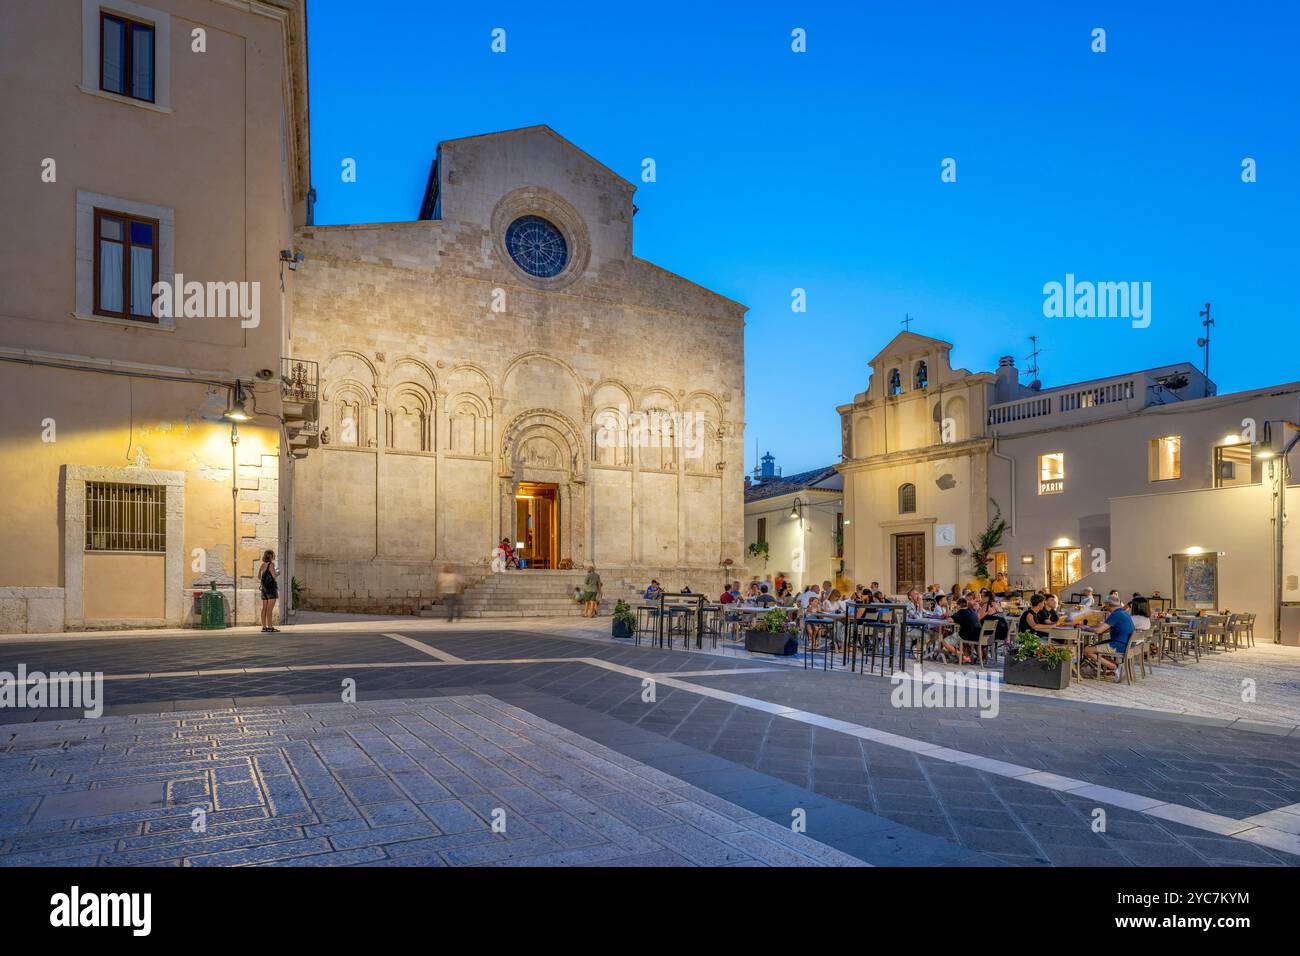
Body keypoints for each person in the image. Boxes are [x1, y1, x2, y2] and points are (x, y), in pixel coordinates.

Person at [1083, 597, 1135, 681]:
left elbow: (1099, 631)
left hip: (1119, 645)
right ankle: (1117, 667)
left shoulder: (1115, 614)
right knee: (1096, 647)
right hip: (1126, 644)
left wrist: (1085, 627)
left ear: (1108, 605)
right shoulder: (1123, 613)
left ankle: (1115, 667)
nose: (1105, 607)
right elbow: (1105, 629)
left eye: (1105, 605)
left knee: (1087, 650)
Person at [949, 596, 983, 662]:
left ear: (958, 606)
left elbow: (950, 620)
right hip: (978, 635)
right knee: (959, 634)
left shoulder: (961, 612)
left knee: (945, 642)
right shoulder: (972, 611)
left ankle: (964, 658)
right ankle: (966, 655)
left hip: (969, 636)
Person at [258, 549, 280, 633]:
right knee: (269, 609)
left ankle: (264, 627)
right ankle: (270, 627)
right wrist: (278, 573)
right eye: (273, 555)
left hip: (264, 589)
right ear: (271, 556)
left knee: (264, 608)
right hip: (271, 589)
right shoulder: (271, 564)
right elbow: (274, 576)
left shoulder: (262, 565)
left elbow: (259, 577)